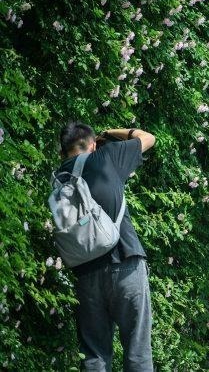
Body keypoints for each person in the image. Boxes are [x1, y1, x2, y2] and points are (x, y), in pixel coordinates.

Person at [54, 122, 155, 370]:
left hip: (85, 274)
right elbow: (148, 138)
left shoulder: (59, 179)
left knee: (94, 355)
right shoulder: (106, 156)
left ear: (62, 152)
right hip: (125, 263)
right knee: (137, 351)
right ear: (93, 145)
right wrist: (109, 133)